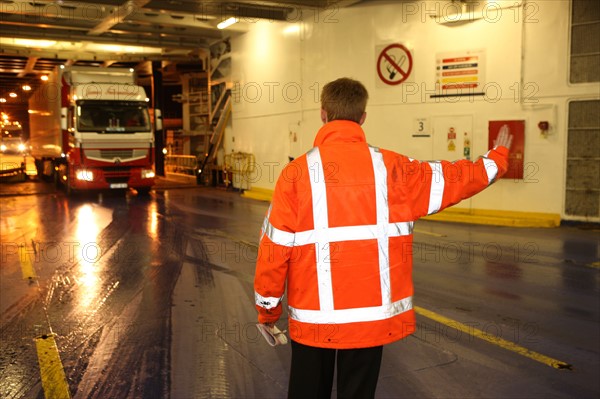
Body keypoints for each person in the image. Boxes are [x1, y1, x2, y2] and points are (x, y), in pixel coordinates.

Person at [253, 77, 512, 399]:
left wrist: (267, 310)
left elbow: (274, 250)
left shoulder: (296, 174)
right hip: (370, 318)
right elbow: (455, 179)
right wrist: (498, 157)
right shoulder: (394, 169)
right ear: (363, 117)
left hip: (314, 318)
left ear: (323, 114)